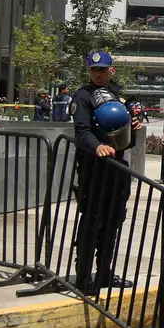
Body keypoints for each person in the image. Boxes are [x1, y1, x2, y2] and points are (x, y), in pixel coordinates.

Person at [71, 51, 144, 296]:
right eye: (94, 70)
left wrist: (135, 124)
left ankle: (104, 273)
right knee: (92, 221)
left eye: (103, 69)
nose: (99, 74)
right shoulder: (83, 97)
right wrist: (97, 146)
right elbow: (81, 132)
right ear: (89, 71)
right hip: (94, 168)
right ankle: (82, 277)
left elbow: (127, 129)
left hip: (117, 167)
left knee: (114, 220)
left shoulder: (118, 94)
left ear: (111, 70)